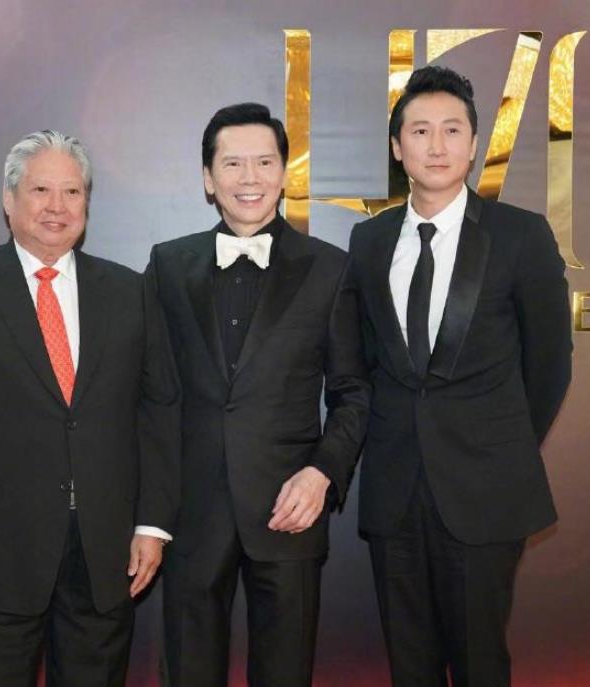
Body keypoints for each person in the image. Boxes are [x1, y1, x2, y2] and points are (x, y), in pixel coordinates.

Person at [0, 130, 180, 686]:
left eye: (72, 192)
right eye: (41, 190)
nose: (56, 207)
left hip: (104, 547)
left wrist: (152, 524)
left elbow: (159, 412)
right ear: (9, 198)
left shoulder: (129, 292)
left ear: (87, 203)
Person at [346, 65, 572, 686]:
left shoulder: (520, 235)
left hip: (485, 492)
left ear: (474, 145)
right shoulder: (368, 242)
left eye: (452, 130)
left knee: (479, 662)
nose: (437, 145)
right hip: (394, 490)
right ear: (398, 148)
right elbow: (363, 360)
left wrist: (497, 446)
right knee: (409, 664)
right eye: (420, 131)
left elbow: (550, 364)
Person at [147, 103, 370, 687]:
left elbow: (353, 392)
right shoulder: (168, 265)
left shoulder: (330, 268)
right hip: (191, 512)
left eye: (265, 162)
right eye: (233, 163)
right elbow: (149, 394)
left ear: (284, 172)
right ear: (208, 178)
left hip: (288, 510)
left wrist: (321, 474)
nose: (250, 178)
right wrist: (150, 510)